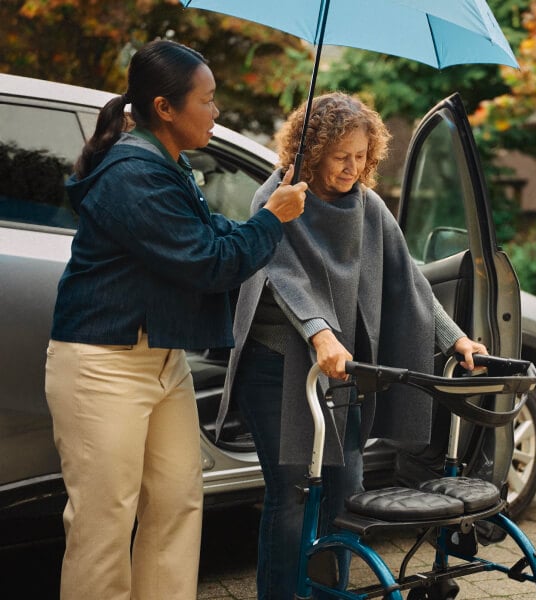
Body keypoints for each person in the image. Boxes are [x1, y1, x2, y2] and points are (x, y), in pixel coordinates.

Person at [44, 39, 307, 600]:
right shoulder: (131, 173)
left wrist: (263, 217)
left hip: (162, 360)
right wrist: (273, 222)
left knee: (176, 505)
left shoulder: (172, 167)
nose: (216, 113)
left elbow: (212, 235)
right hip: (103, 364)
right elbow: (207, 262)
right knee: (103, 525)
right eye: (207, 101)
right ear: (165, 108)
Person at [216, 92, 487, 599]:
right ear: (311, 148)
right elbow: (283, 276)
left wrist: (456, 340)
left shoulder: (368, 206)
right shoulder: (279, 195)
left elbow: (410, 283)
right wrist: (321, 334)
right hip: (276, 366)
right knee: (295, 494)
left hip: (339, 372)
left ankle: (329, 595)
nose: (352, 167)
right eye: (341, 155)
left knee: (346, 495)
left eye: (362, 156)